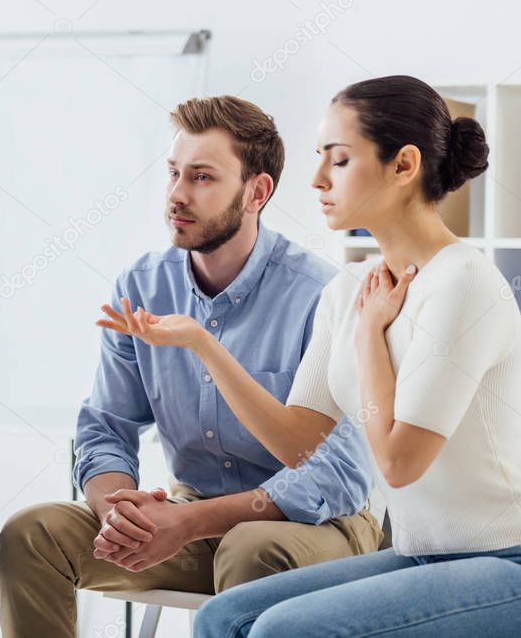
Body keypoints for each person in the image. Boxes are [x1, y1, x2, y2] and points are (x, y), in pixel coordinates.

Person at [110, 76, 521, 636]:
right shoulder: (351, 289)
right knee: (223, 617)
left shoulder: (462, 283)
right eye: (320, 157)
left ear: (404, 165)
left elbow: (400, 465)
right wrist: (203, 344)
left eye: (340, 159)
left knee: (284, 630)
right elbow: (298, 443)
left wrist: (370, 342)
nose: (316, 179)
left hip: (503, 561)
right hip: (420, 553)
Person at [0, 95, 380, 638]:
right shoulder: (143, 286)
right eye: (174, 173)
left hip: (314, 529)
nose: (177, 194)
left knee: (252, 547)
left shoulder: (319, 296)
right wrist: (116, 508)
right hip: (190, 523)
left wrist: (189, 521)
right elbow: (107, 424)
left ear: (257, 192)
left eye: (201, 177)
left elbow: (338, 476)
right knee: (30, 534)